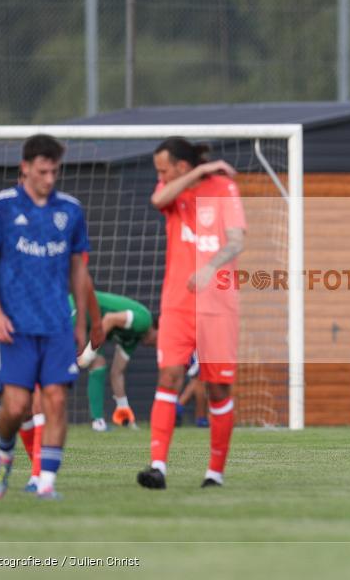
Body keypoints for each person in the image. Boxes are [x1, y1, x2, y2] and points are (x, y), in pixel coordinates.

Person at [0, 134, 90, 499]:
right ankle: (4, 453)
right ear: (25, 168)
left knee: (57, 399)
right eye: (42, 171)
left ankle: (46, 482)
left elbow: (78, 269)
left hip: (57, 323)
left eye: (54, 171)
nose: (49, 178)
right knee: (16, 406)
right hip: (17, 325)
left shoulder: (71, 210)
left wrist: (80, 322)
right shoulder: (1, 207)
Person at [137, 137, 244, 490]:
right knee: (169, 377)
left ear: (179, 166)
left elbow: (236, 241)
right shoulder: (171, 188)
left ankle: (215, 473)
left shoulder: (224, 188)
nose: (159, 175)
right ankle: (157, 468)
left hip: (219, 305)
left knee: (217, 388)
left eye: (163, 169)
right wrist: (197, 171)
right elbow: (157, 200)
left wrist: (211, 267)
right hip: (178, 303)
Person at [71, 291, 156, 431]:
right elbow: (109, 319)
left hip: (90, 323)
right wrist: (89, 353)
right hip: (79, 306)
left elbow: (117, 372)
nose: (157, 345)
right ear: (158, 328)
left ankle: (98, 423)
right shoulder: (144, 320)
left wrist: (124, 410)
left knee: (98, 364)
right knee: (53, 360)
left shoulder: (133, 339)